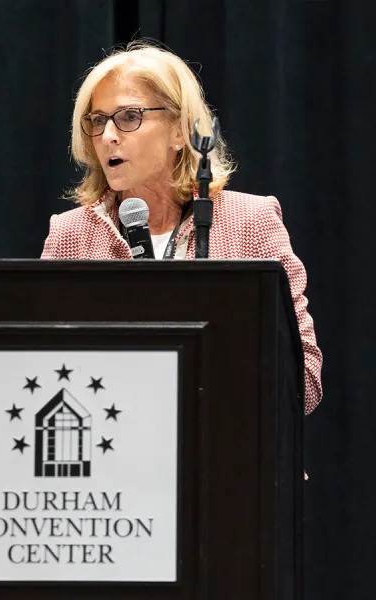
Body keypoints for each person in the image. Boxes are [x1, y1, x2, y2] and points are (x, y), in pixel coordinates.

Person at [41, 42, 322, 414]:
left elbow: (306, 381)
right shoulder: (71, 234)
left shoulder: (250, 222)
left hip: (228, 456)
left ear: (179, 130)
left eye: (128, 117)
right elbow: (42, 366)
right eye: (97, 120)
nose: (107, 135)